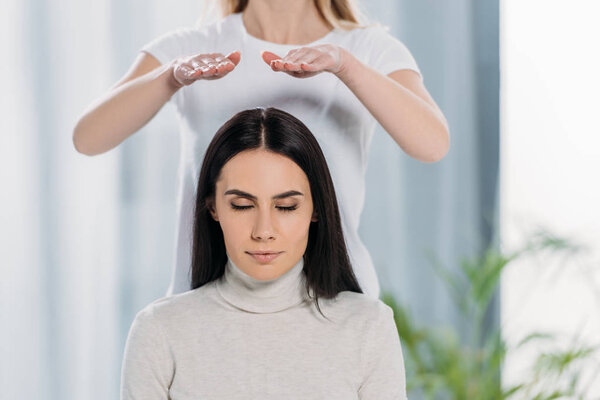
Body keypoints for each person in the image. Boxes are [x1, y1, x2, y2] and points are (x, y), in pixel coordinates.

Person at [73, 0, 449, 299]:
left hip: (334, 311)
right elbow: (88, 137)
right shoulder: (188, 49)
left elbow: (432, 143)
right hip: (205, 314)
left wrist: (345, 67)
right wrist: (170, 78)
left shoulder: (368, 49)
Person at [120, 107, 408, 399]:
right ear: (213, 208)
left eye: (285, 207)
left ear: (316, 209)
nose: (263, 231)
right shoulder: (160, 330)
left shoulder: (369, 326)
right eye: (242, 205)